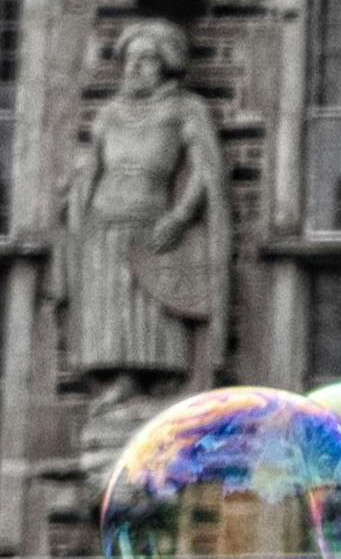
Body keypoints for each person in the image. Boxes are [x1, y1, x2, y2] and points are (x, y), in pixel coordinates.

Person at [52, 24, 228, 405]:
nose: (134, 68)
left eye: (146, 59)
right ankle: (123, 376)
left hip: (150, 216)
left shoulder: (185, 109)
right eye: (130, 60)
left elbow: (205, 171)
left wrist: (182, 215)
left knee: (148, 300)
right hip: (103, 219)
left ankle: (156, 376)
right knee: (111, 299)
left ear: (167, 64)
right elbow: (92, 170)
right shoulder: (110, 114)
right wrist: (73, 200)